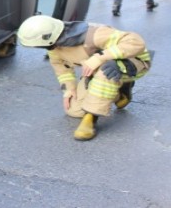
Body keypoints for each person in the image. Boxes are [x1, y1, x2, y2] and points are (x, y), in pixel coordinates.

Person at [17, 15, 152, 141]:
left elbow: (136, 42)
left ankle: (91, 119)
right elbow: (61, 67)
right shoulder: (54, 47)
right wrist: (69, 89)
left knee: (106, 71)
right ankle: (121, 88)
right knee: (74, 110)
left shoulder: (95, 35)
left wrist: (101, 57)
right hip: (97, 70)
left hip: (132, 63)